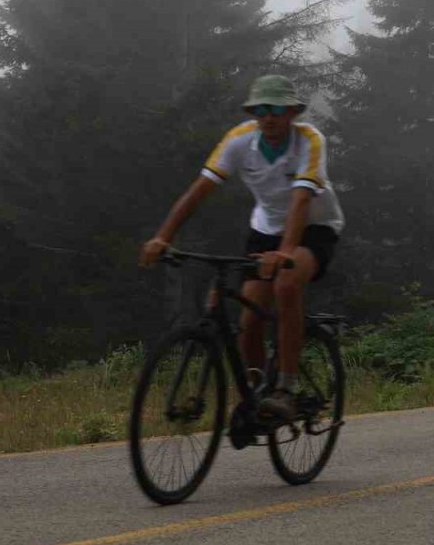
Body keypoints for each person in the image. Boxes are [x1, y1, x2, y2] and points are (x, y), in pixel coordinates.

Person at [139, 75, 345, 422]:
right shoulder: (239, 139)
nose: (269, 116)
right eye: (261, 109)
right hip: (265, 230)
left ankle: (286, 389)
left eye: (277, 109)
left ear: (292, 112)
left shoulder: (309, 140)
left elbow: (300, 200)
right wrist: (163, 237)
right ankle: (256, 394)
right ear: (253, 112)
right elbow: (198, 191)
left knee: (286, 284)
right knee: (248, 319)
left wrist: (286, 252)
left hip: (313, 227)